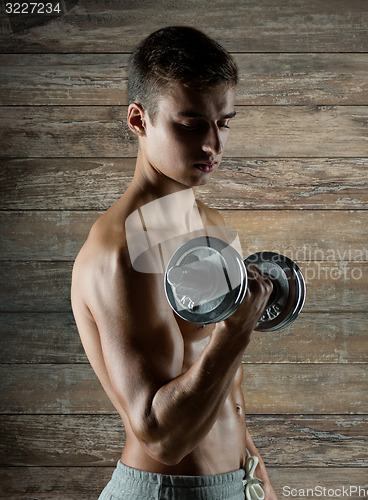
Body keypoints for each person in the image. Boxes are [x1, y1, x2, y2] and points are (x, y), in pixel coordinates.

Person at [71, 26, 278, 499]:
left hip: (235, 484)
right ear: (138, 120)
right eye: (189, 125)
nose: (213, 146)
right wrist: (235, 331)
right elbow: (162, 436)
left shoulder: (210, 221)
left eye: (222, 123)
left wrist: (261, 484)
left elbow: (226, 392)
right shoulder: (121, 250)